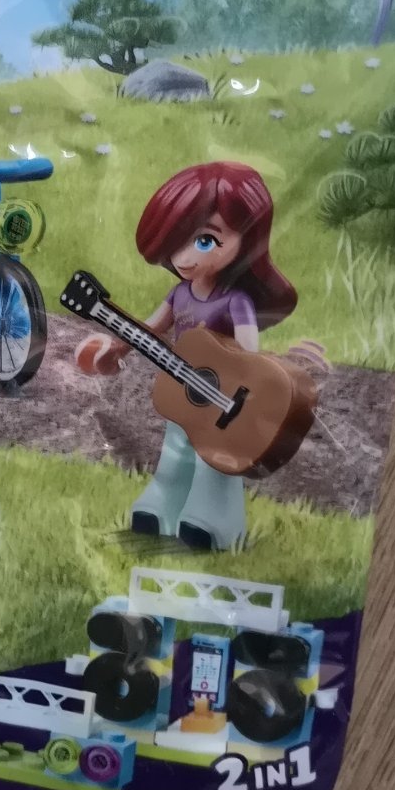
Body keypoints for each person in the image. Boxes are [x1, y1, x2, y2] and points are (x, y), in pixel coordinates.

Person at [76, 161, 297, 550]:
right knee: (176, 451)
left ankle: (214, 519)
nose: (184, 256)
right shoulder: (180, 294)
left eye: (206, 240)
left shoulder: (236, 301)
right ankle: (164, 503)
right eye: (175, 241)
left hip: (227, 398)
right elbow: (151, 328)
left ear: (246, 239)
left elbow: (250, 353)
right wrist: (118, 347)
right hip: (186, 393)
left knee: (214, 461)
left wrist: (239, 386)